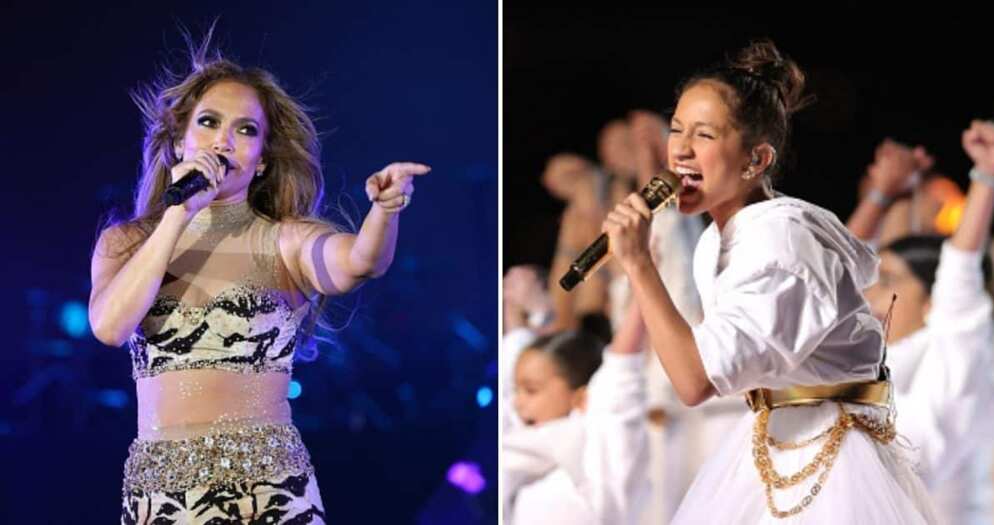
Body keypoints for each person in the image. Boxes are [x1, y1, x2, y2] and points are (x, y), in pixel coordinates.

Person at [88, 30, 428, 524]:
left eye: (245, 130)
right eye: (209, 123)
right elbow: (110, 327)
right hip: (161, 497)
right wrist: (179, 215)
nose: (224, 139)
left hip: (269, 495)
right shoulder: (125, 243)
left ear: (263, 158)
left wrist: (384, 212)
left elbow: (359, 262)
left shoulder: (284, 239)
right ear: (181, 140)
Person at [601, 39, 937, 522]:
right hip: (773, 444)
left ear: (756, 160)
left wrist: (639, 264)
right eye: (676, 130)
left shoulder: (782, 241)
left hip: (830, 467)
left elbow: (694, 381)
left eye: (705, 135)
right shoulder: (716, 242)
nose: (681, 150)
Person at [849, 121, 994, 523]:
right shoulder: (876, 362)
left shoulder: (956, 357)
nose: (870, 297)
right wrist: (882, 197)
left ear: (935, 302)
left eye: (888, 283)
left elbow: (959, 274)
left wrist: (987, 175)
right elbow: (834, 286)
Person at [502, 302, 651, 524]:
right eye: (517, 390)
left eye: (531, 390)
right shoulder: (518, 452)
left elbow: (621, 375)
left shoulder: (595, 450)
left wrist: (643, 277)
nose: (517, 402)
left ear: (580, 397)